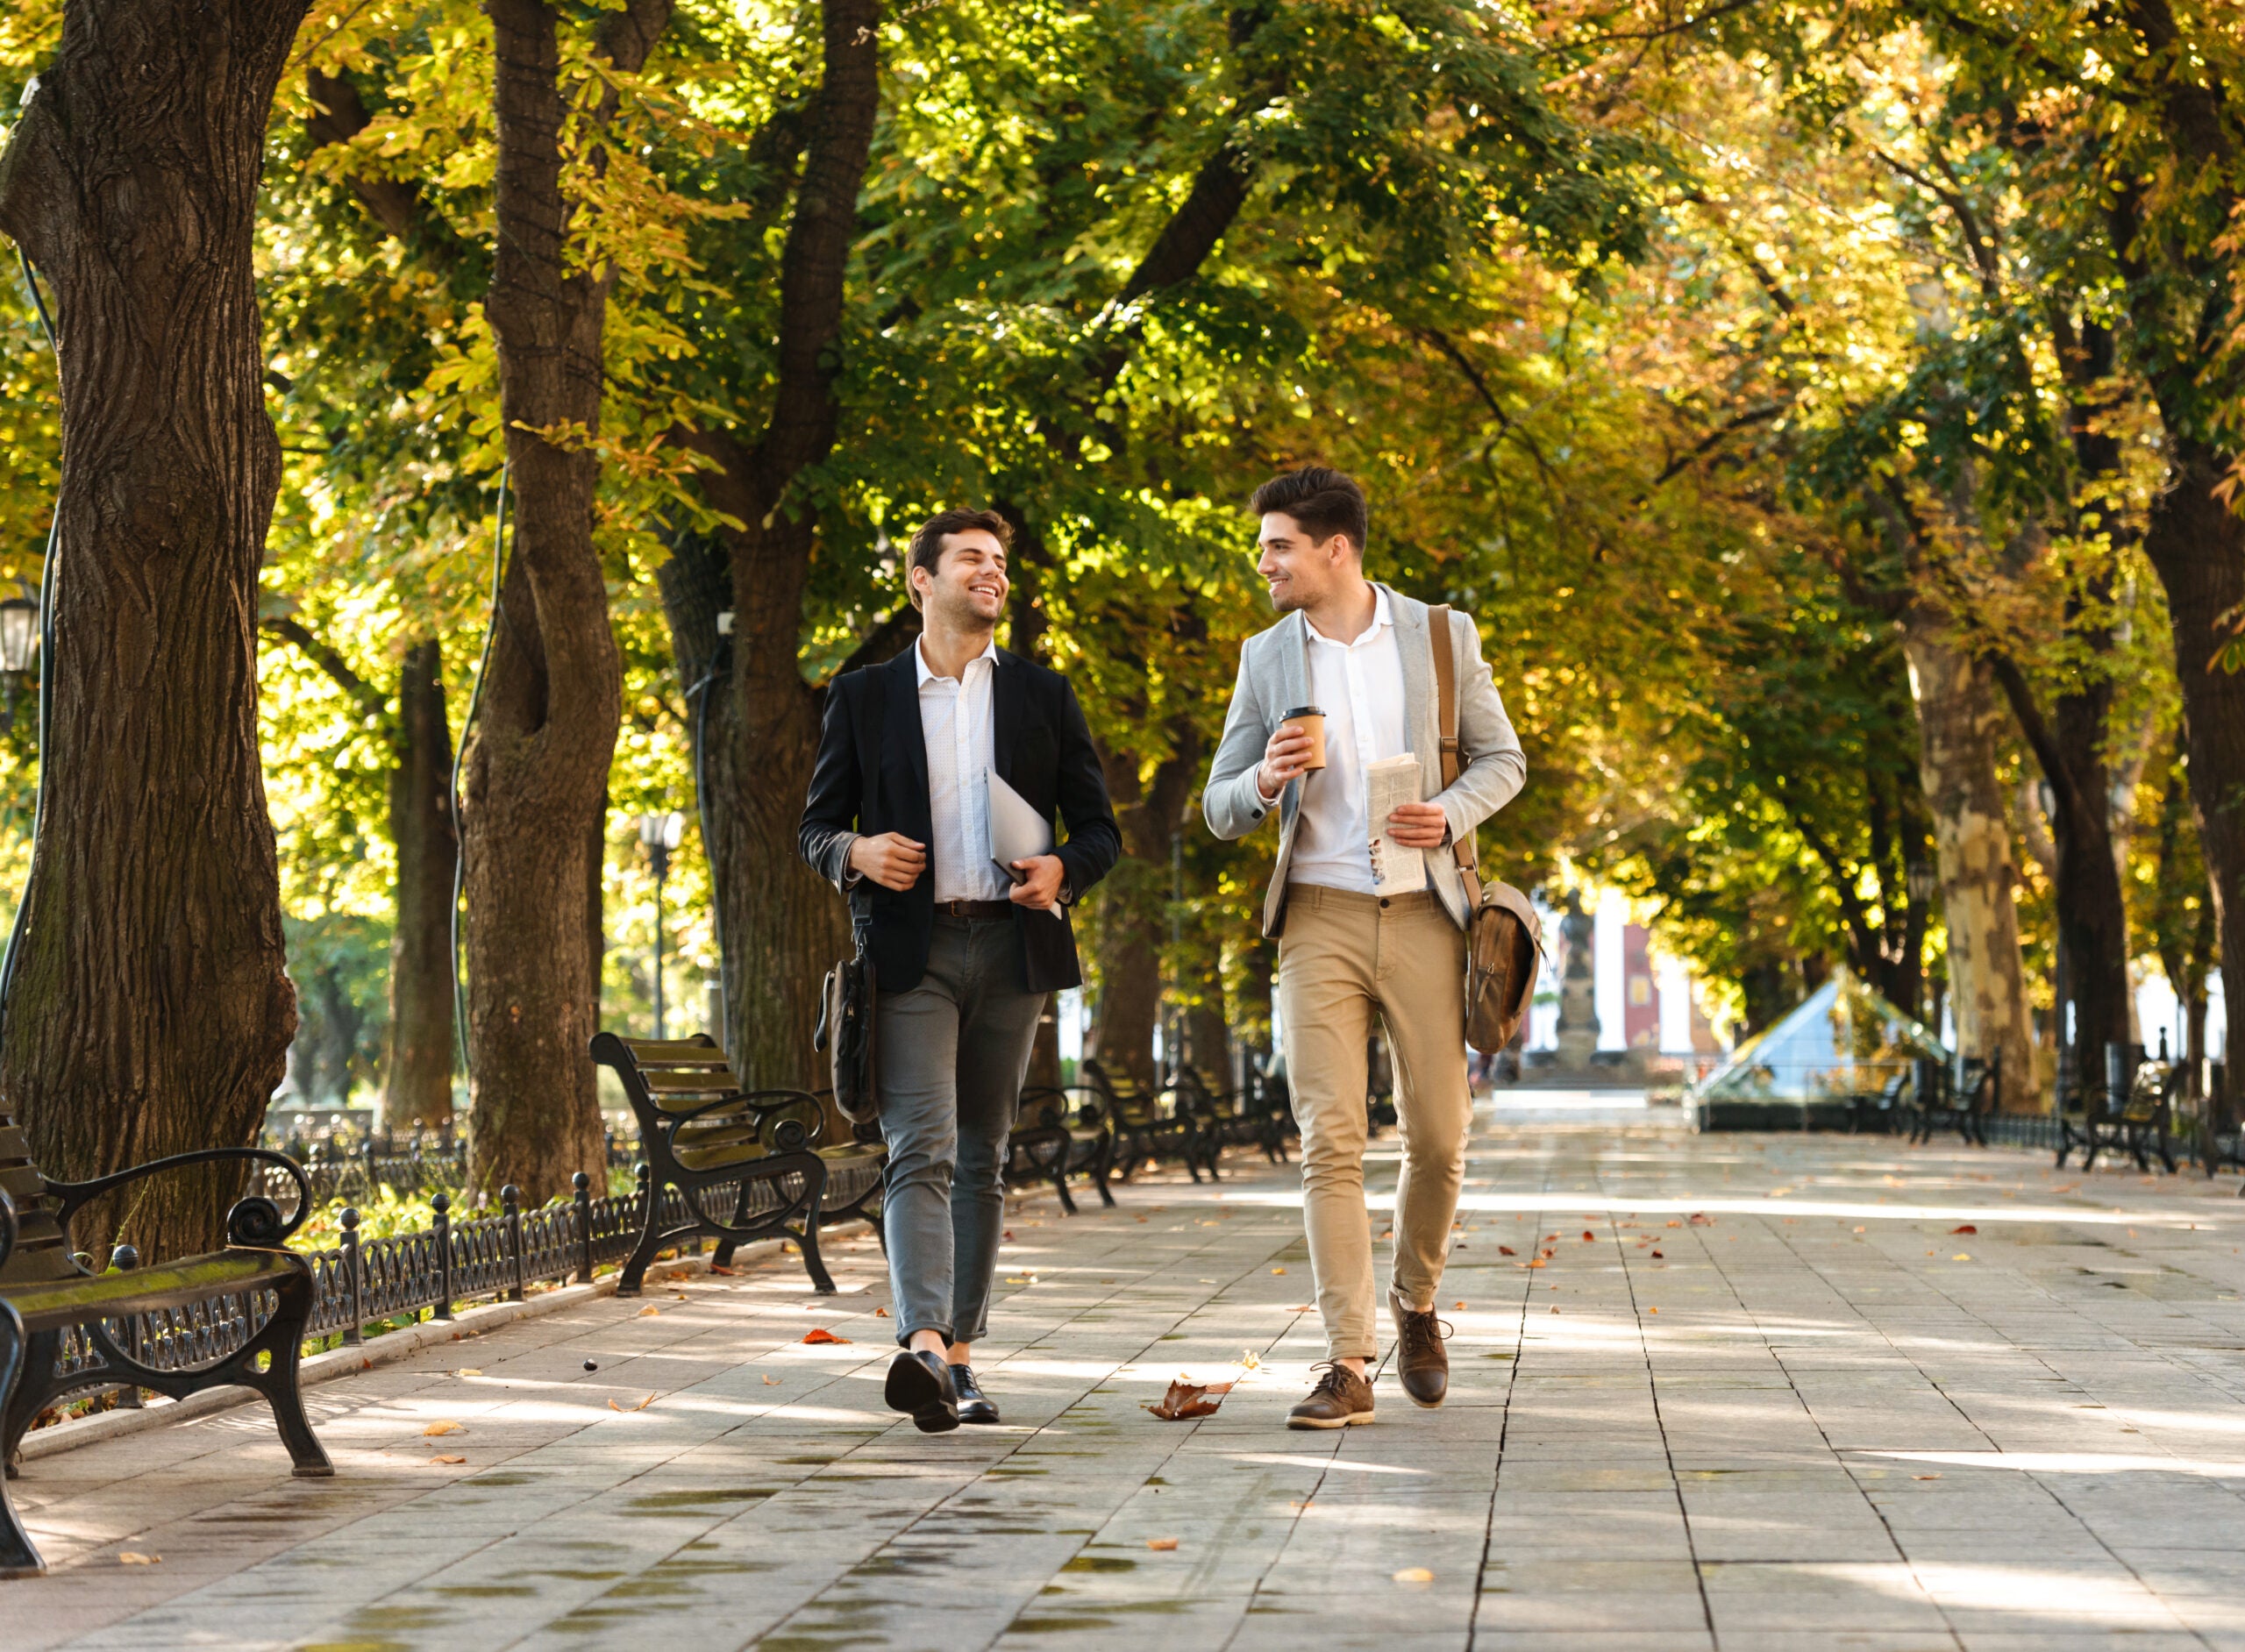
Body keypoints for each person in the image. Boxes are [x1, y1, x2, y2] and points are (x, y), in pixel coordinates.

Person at [1202, 466, 1526, 1428]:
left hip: (1426, 914)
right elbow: (1219, 807)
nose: (1262, 563)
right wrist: (1262, 779)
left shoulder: (1439, 634)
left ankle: (1414, 1301)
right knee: (1328, 1139)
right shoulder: (1267, 658)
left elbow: (1505, 758)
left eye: (1277, 547)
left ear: (1333, 549)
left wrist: (1449, 810)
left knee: (1438, 1134)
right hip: (1317, 916)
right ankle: (1347, 1361)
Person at [801, 508, 1121, 1434]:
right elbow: (816, 828)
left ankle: (963, 1364)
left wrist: (1064, 868)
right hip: (913, 954)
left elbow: (1099, 829)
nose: (993, 574)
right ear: (921, 582)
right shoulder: (863, 698)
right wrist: (855, 855)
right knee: (922, 1147)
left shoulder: (1039, 694)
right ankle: (925, 1345)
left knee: (982, 1155)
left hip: (1012, 950)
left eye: (1000, 562)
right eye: (972, 559)